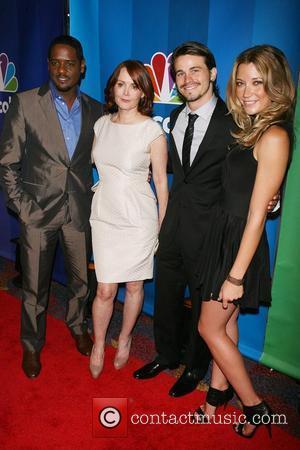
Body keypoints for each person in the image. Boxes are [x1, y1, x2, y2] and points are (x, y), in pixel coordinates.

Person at [194, 45, 294, 438]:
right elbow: (253, 191)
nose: (248, 90)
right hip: (226, 233)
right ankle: (215, 399)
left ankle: (256, 406)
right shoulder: (249, 124)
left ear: (276, 85)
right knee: (227, 324)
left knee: (209, 328)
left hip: (240, 242)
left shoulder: (273, 134)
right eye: (241, 82)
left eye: (258, 82)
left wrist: (235, 277)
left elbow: (255, 215)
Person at [133, 41, 237, 396]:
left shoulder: (234, 122)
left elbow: (248, 176)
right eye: (179, 72)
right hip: (173, 221)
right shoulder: (175, 118)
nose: (186, 78)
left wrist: (271, 200)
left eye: (195, 70)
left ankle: (194, 366)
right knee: (166, 293)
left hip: (210, 228)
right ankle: (166, 353)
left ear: (212, 73)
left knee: (200, 303)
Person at [0, 35, 103, 378]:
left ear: (82, 67)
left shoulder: (95, 109)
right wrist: (23, 210)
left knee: (81, 284)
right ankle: (31, 345)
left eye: (69, 63)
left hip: (78, 213)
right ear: (48, 65)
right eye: (55, 62)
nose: (62, 69)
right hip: (38, 214)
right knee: (34, 289)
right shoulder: (26, 103)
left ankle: (77, 325)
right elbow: (8, 162)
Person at [88, 60, 168, 378]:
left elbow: (161, 183)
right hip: (105, 214)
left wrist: (161, 227)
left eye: (133, 85)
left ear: (143, 92)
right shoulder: (101, 125)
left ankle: (124, 338)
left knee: (134, 284)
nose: (126, 91)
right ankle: (97, 344)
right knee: (105, 289)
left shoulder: (152, 131)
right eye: (120, 84)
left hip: (138, 218)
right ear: (112, 87)